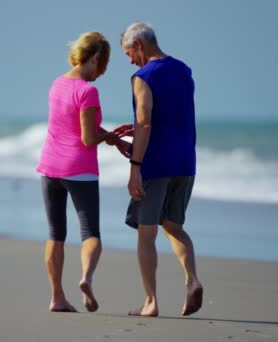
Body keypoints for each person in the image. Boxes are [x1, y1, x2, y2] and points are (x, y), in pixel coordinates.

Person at [113, 22, 203, 317]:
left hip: (157, 162)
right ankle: (192, 280)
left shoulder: (143, 76)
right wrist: (136, 134)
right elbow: (172, 115)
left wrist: (135, 166)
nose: (129, 60)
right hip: (185, 161)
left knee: (146, 233)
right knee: (174, 226)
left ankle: (150, 302)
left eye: (129, 53)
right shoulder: (184, 70)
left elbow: (146, 121)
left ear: (139, 45)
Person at [36, 31, 126, 313]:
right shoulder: (88, 91)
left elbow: (72, 127)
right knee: (90, 234)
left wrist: (108, 136)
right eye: (103, 66)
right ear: (96, 58)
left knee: (55, 234)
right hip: (79, 169)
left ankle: (57, 297)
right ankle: (85, 278)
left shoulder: (56, 84)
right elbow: (87, 139)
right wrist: (106, 138)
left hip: (50, 167)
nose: (101, 73)